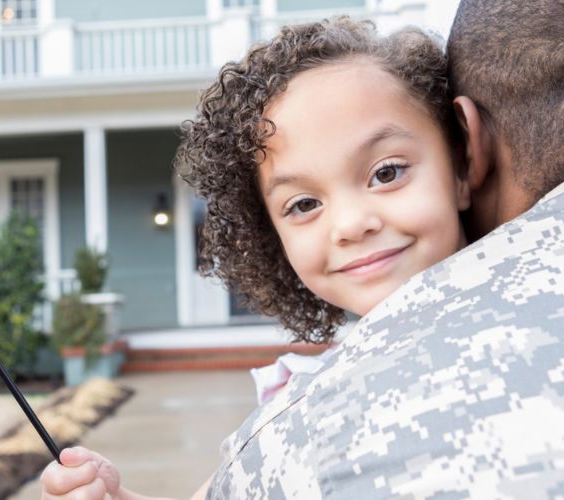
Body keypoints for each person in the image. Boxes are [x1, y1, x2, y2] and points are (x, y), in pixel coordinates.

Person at [41, 16, 474, 499]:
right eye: (304, 205)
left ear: (462, 161)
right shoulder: (297, 401)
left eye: (387, 172)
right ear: (272, 236)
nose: (351, 224)